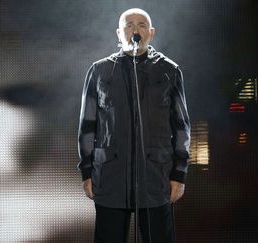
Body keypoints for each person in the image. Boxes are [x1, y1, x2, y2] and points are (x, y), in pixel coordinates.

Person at [77, 8, 191, 243]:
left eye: (141, 25)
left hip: (156, 179)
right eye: (129, 25)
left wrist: (179, 175)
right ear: (119, 34)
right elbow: (87, 126)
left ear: (151, 33)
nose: (135, 30)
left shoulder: (169, 71)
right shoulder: (99, 71)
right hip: (110, 178)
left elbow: (181, 127)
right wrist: (87, 172)